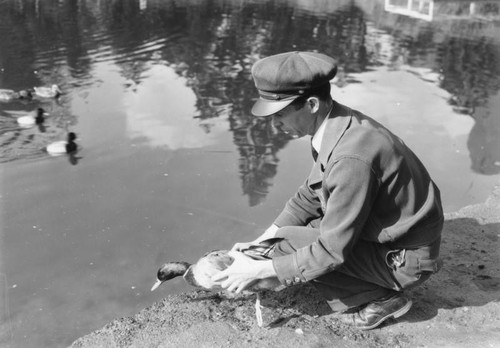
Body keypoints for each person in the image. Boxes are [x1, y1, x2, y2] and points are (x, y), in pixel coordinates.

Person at [212, 51, 443, 330]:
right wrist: (261, 240)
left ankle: (384, 299)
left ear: (310, 104)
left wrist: (260, 268)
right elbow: (310, 196)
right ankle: (363, 278)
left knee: (287, 246)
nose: (274, 126)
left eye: (280, 115)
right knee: (280, 239)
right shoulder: (337, 123)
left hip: (406, 259)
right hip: (393, 232)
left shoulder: (351, 157)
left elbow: (330, 253)